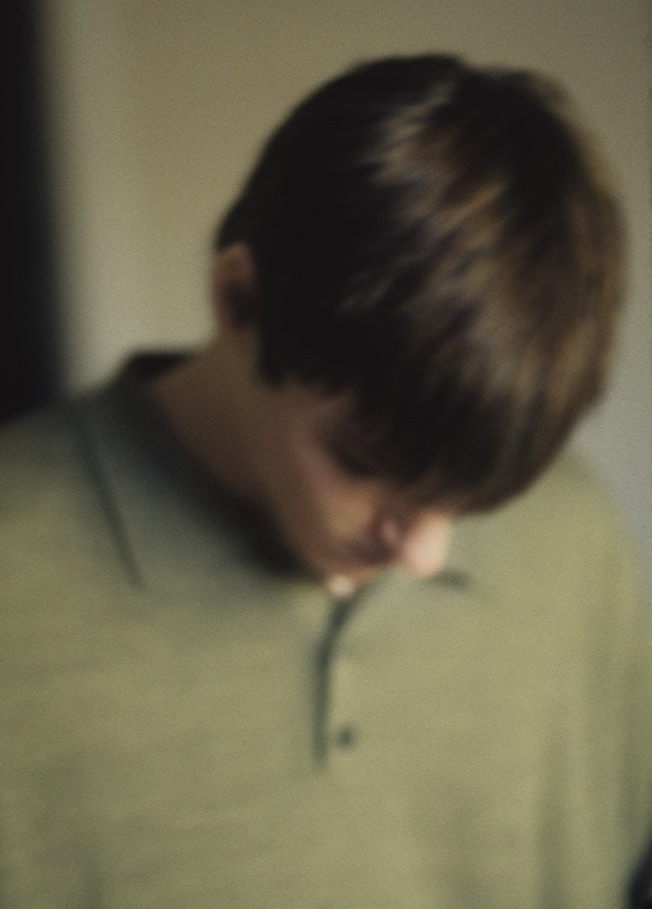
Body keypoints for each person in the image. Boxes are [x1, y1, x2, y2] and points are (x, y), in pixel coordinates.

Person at [1, 54, 650, 908]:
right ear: (239, 302)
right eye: (367, 463)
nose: (423, 554)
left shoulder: (576, 537)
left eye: (478, 497)